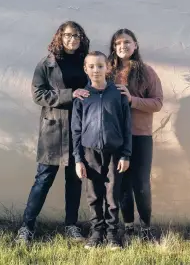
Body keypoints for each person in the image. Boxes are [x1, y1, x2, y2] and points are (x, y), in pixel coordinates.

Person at [16, 21, 91, 244]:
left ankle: (71, 225)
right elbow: (38, 94)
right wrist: (70, 94)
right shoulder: (46, 64)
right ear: (60, 36)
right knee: (43, 179)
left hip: (80, 128)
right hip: (54, 128)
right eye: (68, 35)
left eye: (77, 36)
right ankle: (26, 226)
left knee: (75, 180)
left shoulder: (85, 62)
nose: (73, 39)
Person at [72, 51, 132, 249]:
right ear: (85, 69)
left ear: (107, 68)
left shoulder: (118, 94)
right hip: (90, 153)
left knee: (112, 194)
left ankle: (113, 233)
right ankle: (97, 232)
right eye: (91, 66)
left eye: (100, 66)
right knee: (94, 195)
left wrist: (125, 154)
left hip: (114, 152)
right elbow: (76, 130)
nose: (96, 70)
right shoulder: (82, 97)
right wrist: (78, 159)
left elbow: (126, 127)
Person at [108, 28, 163, 241]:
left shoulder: (146, 72)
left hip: (140, 136)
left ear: (135, 45)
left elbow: (157, 103)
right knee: (121, 184)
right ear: (114, 47)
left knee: (140, 184)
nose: (123, 46)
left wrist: (133, 100)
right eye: (118, 43)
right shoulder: (108, 72)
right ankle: (128, 227)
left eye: (127, 42)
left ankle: (146, 228)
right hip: (115, 137)